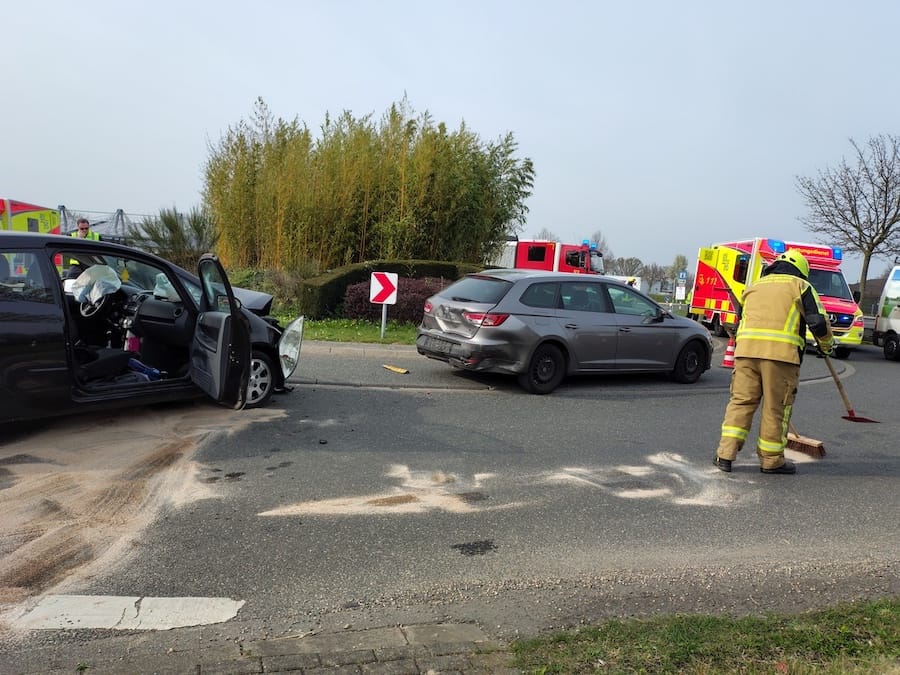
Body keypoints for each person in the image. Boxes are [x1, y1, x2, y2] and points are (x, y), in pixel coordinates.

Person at [714, 250, 833, 475]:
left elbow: (742, 320)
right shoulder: (801, 286)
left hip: (745, 353)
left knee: (741, 402)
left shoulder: (754, 286)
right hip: (781, 357)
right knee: (775, 408)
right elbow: (818, 323)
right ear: (801, 270)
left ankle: (724, 455)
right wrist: (827, 346)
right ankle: (771, 461)